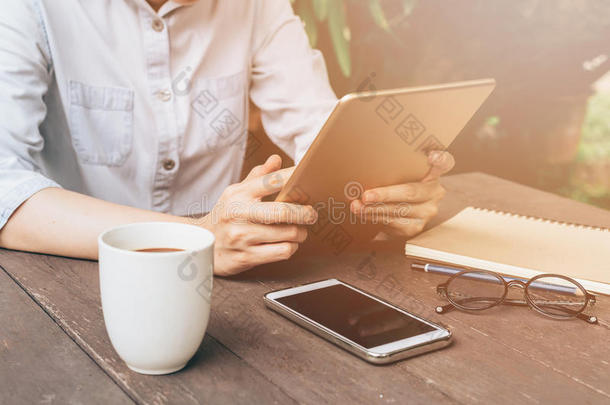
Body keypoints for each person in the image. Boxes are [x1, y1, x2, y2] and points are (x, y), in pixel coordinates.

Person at [0, 0, 454, 276]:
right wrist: (198, 238)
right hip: (70, 278)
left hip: (230, 278)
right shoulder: (30, 8)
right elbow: (5, 187)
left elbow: (319, 129)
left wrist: (386, 188)